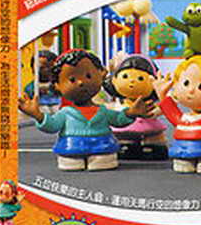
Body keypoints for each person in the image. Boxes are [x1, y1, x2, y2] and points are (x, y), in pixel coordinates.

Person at [18, 49, 154, 171]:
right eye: (72, 80)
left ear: (101, 75)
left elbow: (118, 120)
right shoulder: (65, 113)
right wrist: (38, 115)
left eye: (88, 76)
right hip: (71, 147)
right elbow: (52, 125)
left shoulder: (103, 111)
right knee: (71, 163)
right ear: (57, 85)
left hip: (103, 146)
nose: (81, 82)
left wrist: (131, 113)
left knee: (103, 162)